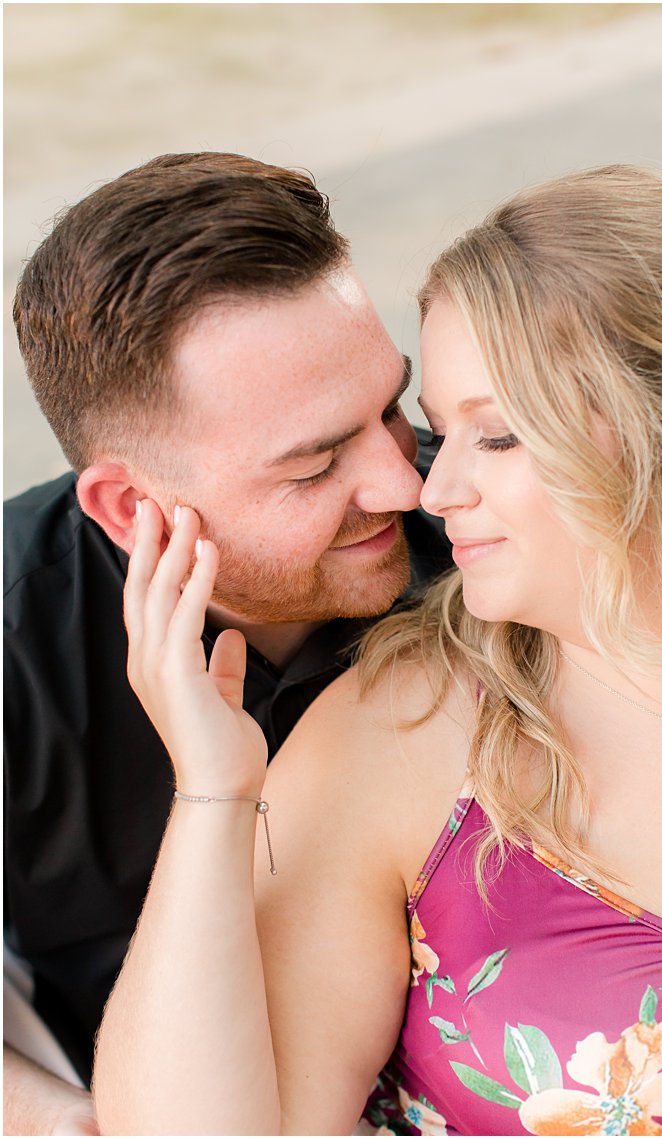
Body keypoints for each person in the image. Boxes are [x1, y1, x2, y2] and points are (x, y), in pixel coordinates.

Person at [91, 165, 662, 1136]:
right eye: (441, 433)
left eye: (493, 436)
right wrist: (211, 791)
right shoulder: (397, 727)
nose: (427, 490)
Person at [3, 152, 452, 1135]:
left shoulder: (485, 543)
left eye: (389, 407)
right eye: (315, 463)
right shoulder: (14, 639)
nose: (403, 483)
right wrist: (56, 1120)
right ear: (129, 506)